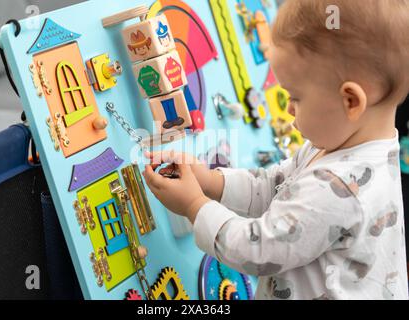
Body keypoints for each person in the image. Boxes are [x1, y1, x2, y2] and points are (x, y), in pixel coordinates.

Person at [142, 0, 409, 299]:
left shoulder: (341, 186)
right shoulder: (345, 148)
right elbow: (276, 187)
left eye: (295, 97)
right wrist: (209, 181)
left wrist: (193, 205)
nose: (288, 109)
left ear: (350, 101)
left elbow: (257, 250)